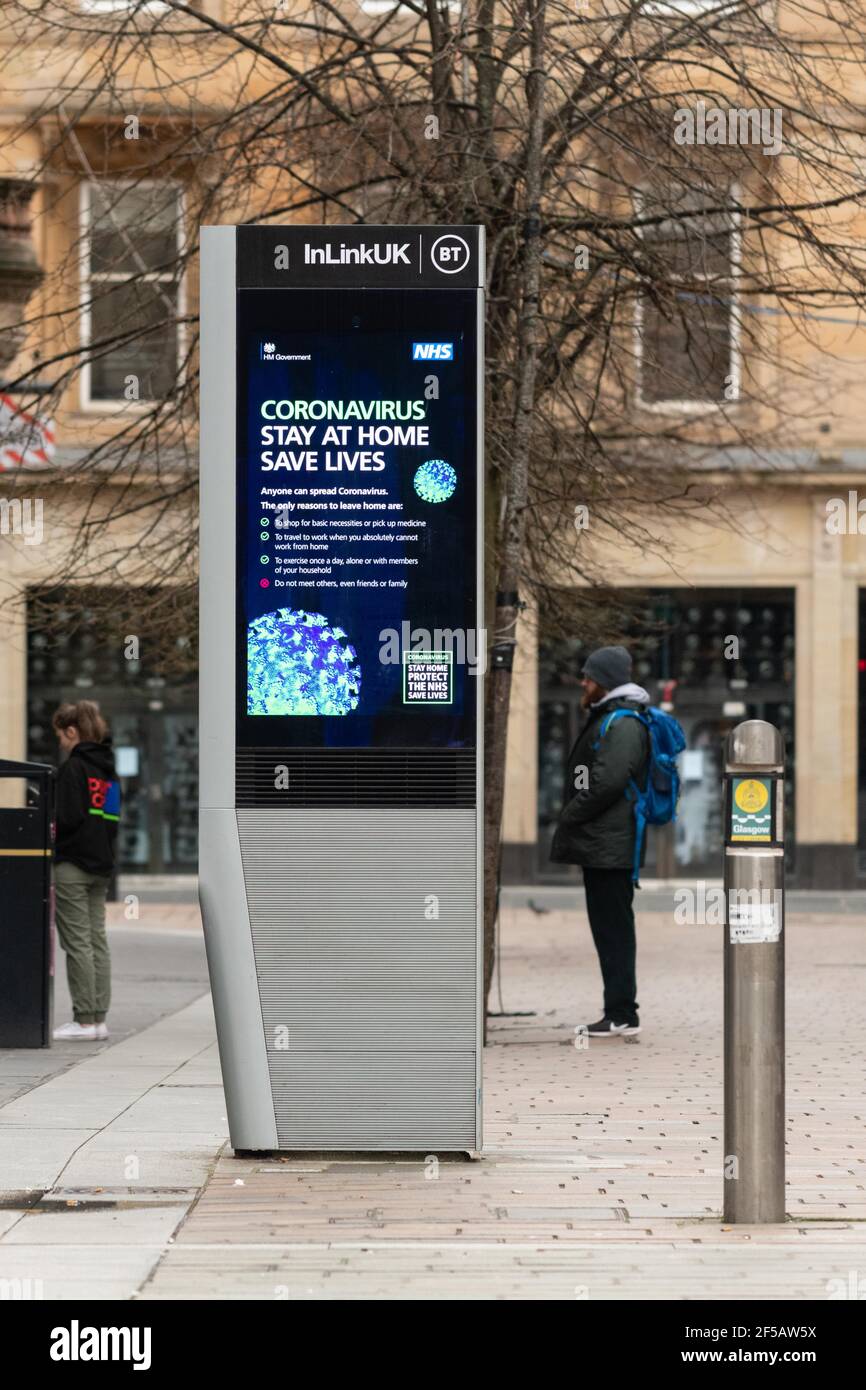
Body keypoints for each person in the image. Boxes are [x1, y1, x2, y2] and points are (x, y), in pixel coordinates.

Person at [550, 645, 650, 1037]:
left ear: (604, 681)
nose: (583, 682)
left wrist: (572, 812)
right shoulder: (608, 717)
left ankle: (622, 1013)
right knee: (609, 929)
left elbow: (607, 781)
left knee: (614, 930)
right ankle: (619, 1011)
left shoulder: (623, 723)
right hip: (603, 843)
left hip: (612, 846)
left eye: (589, 677)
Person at [51, 700, 120, 1041]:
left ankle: (83, 1020)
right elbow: (112, 821)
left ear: (72, 731)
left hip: (72, 866)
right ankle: (99, 1019)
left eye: (62, 736)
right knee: (96, 941)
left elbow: (64, 819)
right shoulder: (109, 772)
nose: (61, 743)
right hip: (101, 865)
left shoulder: (72, 770)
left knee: (77, 943)